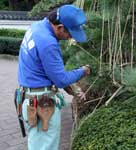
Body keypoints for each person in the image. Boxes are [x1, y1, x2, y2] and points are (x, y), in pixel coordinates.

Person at [18, 4, 90, 150]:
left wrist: (74, 90)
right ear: (60, 27)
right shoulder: (48, 43)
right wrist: (82, 71)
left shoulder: (37, 27)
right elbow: (61, 79)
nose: (70, 37)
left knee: (38, 144)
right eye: (70, 33)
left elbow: (50, 72)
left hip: (29, 98)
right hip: (42, 103)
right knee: (46, 146)